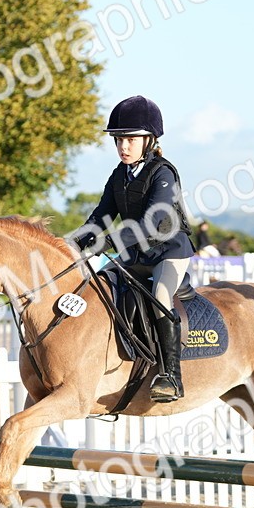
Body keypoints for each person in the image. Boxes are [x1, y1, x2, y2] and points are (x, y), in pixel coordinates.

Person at [74, 95, 194, 403]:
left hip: (168, 251)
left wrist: (110, 242)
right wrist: (73, 244)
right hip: (134, 254)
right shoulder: (119, 174)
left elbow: (153, 222)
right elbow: (101, 215)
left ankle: (170, 376)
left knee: (160, 297)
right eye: (118, 140)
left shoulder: (163, 173)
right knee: (97, 286)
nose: (123, 147)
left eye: (130, 139)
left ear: (149, 140)